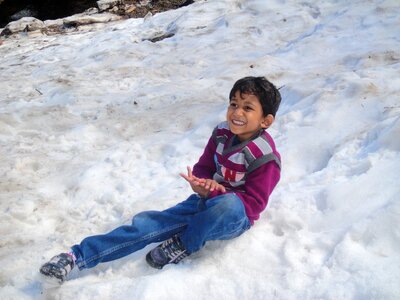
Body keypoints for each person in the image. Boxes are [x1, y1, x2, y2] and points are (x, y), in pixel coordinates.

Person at [40, 76, 282, 283]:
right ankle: (77, 256)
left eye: (247, 108)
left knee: (227, 206)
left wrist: (217, 194)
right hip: (204, 201)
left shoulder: (265, 157)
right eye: (233, 104)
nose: (237, 112)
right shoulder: (221, 133)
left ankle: (185, 244)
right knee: (147, 224)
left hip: (233, 217)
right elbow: (205, 166)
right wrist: (201, 182)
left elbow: (254, 204)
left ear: (265, 121)